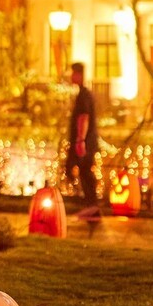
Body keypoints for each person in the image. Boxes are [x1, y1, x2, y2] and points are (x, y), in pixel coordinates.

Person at [64, 61, 99, 214]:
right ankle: (89, 205)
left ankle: (92, 207)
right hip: (84, 142)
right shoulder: (82, 94)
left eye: (73, 73)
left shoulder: (84, 95)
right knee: (81, 171)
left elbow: (84, 117)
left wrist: (80, 140)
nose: (71, 76)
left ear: (78, 75)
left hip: (84, 142)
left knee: (85, 173)